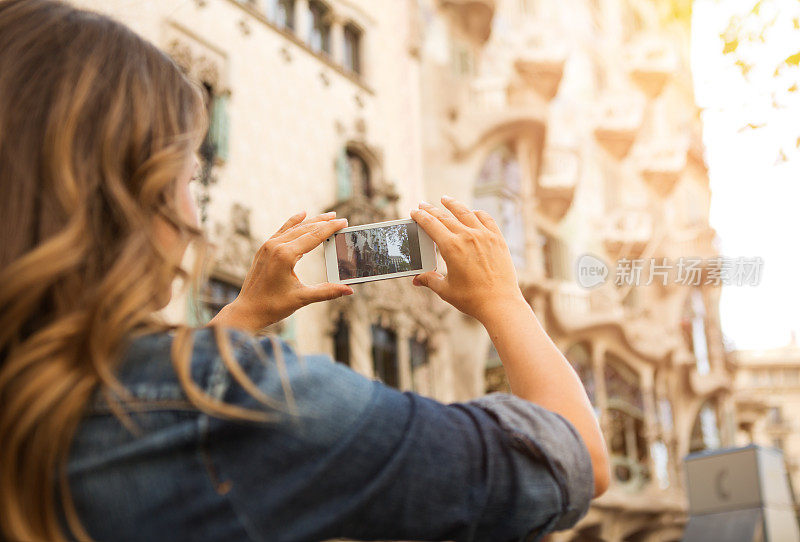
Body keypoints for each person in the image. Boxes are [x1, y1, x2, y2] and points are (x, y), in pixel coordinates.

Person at [0, 1, 609, 541]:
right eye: (190, 178)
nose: (195, 216)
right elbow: (572, 458)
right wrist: (504, 301)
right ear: (132, 193)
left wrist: (240, 317)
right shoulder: (254, 401)